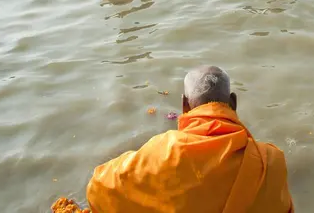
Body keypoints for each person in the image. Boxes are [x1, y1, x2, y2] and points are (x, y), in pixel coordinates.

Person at [85, 66, 294, 213]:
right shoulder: (270, 160)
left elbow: (98, 188)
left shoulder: (163, 151)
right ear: (233, 102)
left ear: (184, 105)